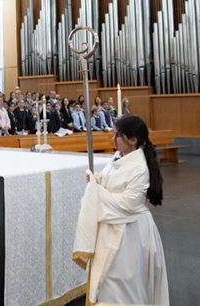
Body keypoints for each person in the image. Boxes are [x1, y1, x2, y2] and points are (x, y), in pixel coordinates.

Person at [73, 115, 168, 305]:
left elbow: (127, 204)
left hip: (129, 233)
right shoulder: (119, 156)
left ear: (133, 140)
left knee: (124, 284)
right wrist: (96, 180)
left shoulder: (139, 168)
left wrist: (95, 191)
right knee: (107, 281)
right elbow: (107, 180)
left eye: (118, 135)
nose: (113, 138)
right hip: (111, 229)